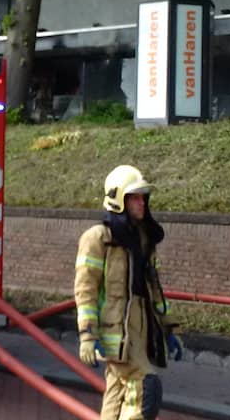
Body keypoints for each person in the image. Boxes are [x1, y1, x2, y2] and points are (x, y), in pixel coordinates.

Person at [74, 165, 182, 420]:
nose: (141, 203)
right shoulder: (98, 238)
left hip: (142, 323)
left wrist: (168, 328)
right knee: (146, 385)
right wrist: (87, 335)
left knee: (117, 387)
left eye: (143, 197)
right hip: (115, 326)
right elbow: (85, 290)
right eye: (134, 197)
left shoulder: (144, 239)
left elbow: (154, 289)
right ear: (118, 199)